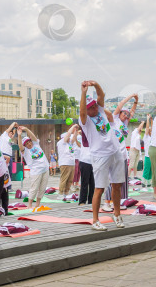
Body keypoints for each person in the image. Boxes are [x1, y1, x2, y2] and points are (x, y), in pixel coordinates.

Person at [78, 80, 125, 231]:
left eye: (94, 106)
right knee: (99, 188)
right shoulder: (85, 121)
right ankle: (95, 220)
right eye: (90, 107)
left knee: (117, 185)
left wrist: (95, 84)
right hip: (100, 155)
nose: (94, 108)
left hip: (115, 151)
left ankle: (117, 214)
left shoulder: (100, 111)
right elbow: (82, 112)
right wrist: (84, 93)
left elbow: (101, 95)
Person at [108, 95, 138, 209]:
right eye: (124, 113)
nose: (125, 115)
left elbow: (132, 112)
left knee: (123, 178)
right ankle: (111, 200)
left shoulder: (124, 123)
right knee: (113, 178)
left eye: (126, 115)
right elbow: (120, 104)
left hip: (123, 153)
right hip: (114, 153)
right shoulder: (114, 119)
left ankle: (122, 199)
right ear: (119, 113)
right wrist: (130, 97)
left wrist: (136, 102)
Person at [17, 126, 51, 211]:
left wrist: (27, 129)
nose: (29, 144)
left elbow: (33, 137)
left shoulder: (36, 144)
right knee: (34, 188)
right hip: (36, 171)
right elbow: (20, 146)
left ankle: (38, 204)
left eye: (29, 142)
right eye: (27, 143)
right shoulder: (25, 151)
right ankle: (29, 204)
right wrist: (19, 135)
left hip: (45, 169)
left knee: (43, 188)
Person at [57, 126, 78, 197]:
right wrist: (73, 126)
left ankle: (66, 193)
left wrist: (76, 131)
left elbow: (74, 138)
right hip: (65, 163)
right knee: (64, 179)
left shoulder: (69, 143)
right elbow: (69, 133)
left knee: (70, 179)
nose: (70, 138)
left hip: (71, 163)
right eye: (68, 137)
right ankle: (60, 194)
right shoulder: (61, 142)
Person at [141, 114, 153, 186]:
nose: (150, 130)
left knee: (151, 170)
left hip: (153, 156)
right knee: (146, 169)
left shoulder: (153, 137)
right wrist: (148, 119)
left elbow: (153, 127)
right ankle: (143, 182)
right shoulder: (146, 137)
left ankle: (148, 182)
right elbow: (148, 127)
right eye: (149, 130)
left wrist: (151, 120)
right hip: (147, 156)